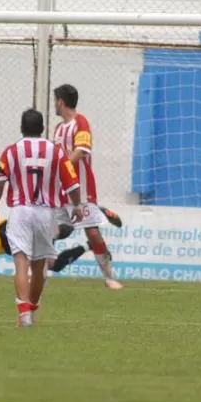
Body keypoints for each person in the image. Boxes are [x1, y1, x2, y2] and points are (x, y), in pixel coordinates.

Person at [0, 108, 83, 327]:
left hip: (21, 210)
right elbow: (72, 184)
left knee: (20, 263)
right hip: (45, 212)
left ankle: (23, 313)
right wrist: (77, 205)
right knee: (39, 266)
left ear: (22, 127)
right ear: (42, 128)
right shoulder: (57, 151)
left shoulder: (11, 151)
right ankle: (31, 310)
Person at [52, 84, 122, 289]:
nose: (54, 105)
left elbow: (81, 151)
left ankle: (109, 276)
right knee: (50, 231)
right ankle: (39, 274)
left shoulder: (80, 122)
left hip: (81, 190)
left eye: (55, 101)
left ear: (61, 102)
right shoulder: (58, 129)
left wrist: (62, 168)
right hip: (61, 192)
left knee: (92, 232)